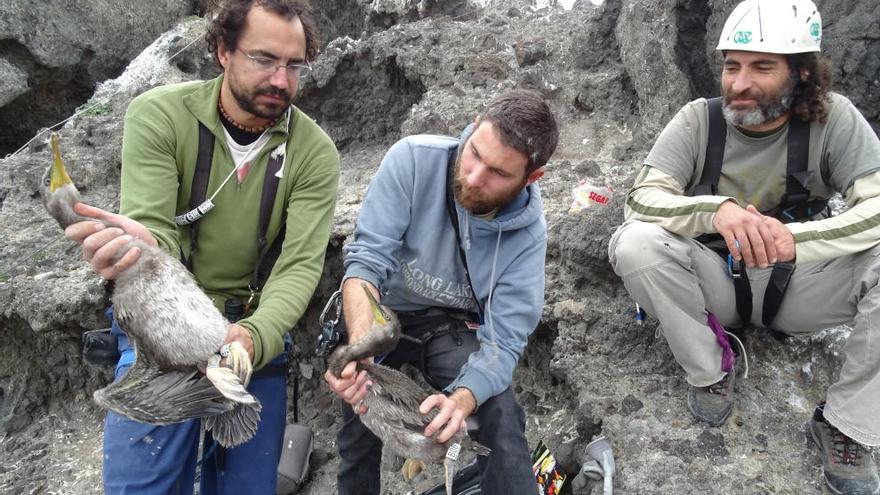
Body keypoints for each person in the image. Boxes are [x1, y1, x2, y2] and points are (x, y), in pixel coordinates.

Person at [63, 0, 339, 493]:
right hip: (165, 329)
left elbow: (298, 268)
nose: (281, 79)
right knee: (141, 485)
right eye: (263, 59)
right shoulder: (160, 114)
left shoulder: (314, 153)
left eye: (294, 65)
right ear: (222, 51)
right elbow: (156, 228)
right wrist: (141, 247)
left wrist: (252, 337)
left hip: (252, 335)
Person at [608, 0, 880, 493]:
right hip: (714, 281)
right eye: (732, 65)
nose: (740, 82)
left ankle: (845, 425)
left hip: (799, 286)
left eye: (762, 67)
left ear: (801, 74)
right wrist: (716, 211)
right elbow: (642, 201)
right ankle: (710, 369)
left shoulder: (834, 120)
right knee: (636, 243)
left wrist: (792, 239)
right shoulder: (698, 121)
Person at [323, 89, 558, 494]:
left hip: (450, 327)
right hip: (385, 312)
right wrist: (363, 343)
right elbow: (365, 264)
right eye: (474, 153)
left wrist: (463, 399)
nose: (474, 176)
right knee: (358, 410)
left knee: (498, 412)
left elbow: (504, 340)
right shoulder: (413, 160)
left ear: (531, 177)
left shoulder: (528, 235)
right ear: (471, 126)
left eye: (498, 173)